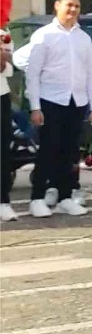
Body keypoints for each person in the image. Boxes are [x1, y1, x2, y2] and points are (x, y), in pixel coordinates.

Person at [25, 0, 92, 218]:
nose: (73, 10)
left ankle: (65, 197)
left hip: (76, 102)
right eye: (69, 5)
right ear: (57, 6)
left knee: (70, 152)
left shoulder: (83, 37)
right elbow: (33, 73)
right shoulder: (44, 35)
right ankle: (37, 197)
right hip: (50, 100)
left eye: (77, 6)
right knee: (49, 149)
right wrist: (35, 106)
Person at [1, 22, 14, 222]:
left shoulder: (3, 33)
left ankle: (3, 201)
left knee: (2, 150)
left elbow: (10, 69)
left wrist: (4, 61)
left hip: (1, 95)